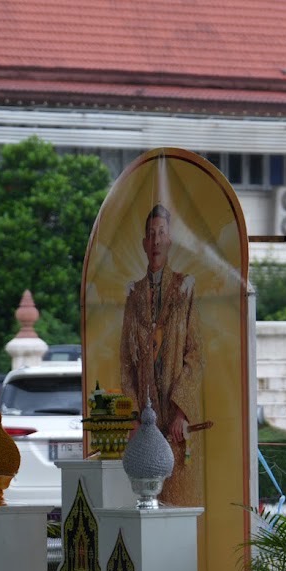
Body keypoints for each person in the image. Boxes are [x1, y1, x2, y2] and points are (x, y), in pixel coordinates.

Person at [119, 204, 205, 506]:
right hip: (144, 431)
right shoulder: (134, 295)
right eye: (151, 235)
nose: (156, 241)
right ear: (144, 244)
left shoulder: (185, 288)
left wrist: (182, 413)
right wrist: (134, 422)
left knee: (178, 507)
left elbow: (195, 354)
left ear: (169, 242)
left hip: (175, 429)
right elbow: (126, 365)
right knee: (144, 509)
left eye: (162, 234)